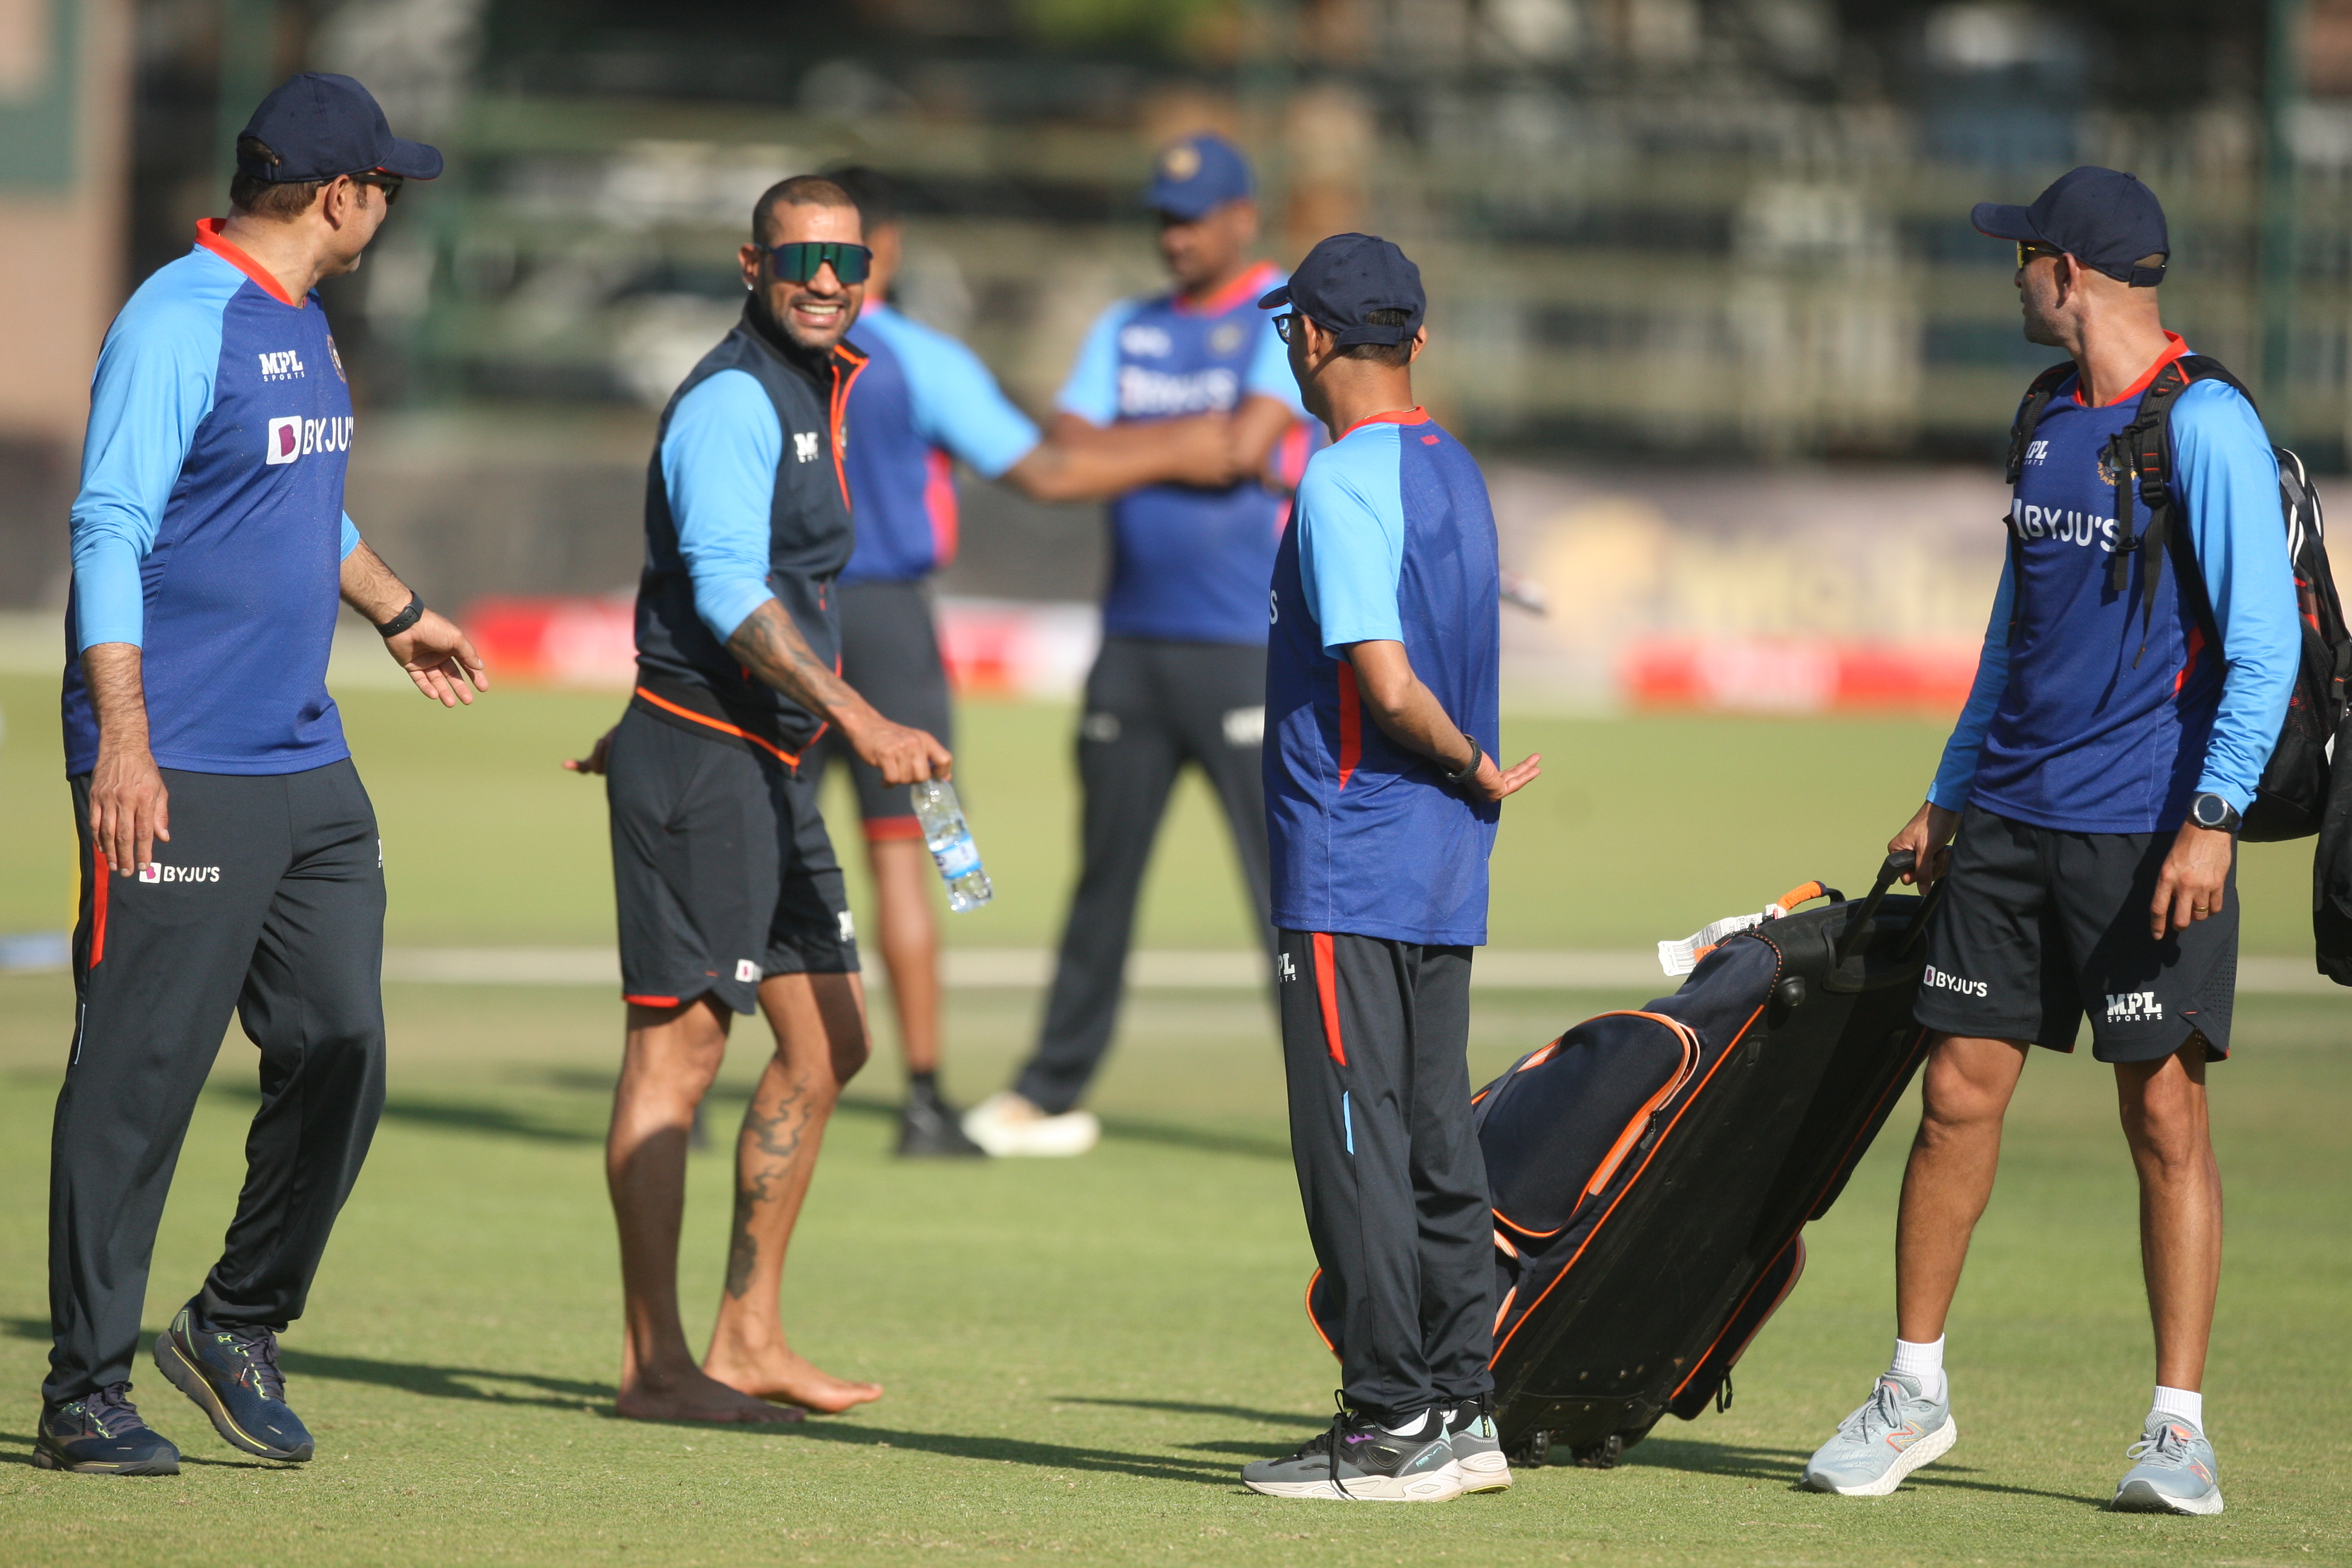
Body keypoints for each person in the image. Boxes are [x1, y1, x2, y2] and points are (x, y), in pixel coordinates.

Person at [1798, 168, 2298, 1515]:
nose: (2012, 275)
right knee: (1954, 1098)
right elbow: (2011, 636)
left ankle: (2177, 1431)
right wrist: (1950, 790)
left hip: (2145, 835)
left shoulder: (2207, 425)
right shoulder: (2040, 418)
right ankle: (1912, 1392)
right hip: (2009, 824)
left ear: (2069, 272)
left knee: (2163, 1115)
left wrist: (2213, 819)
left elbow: (2267, 645)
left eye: (2023, 256)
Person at [37, 74, 482, 1477]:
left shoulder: (298, 320)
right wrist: (124, 741)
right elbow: (109, 523)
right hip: (175, 764)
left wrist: (395, 606)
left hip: (302, 754)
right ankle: (83, 1396)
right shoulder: (180, 318)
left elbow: (296, 493)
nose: (389, 210)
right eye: (384, 189)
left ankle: (235, 1322)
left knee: (341, 1037)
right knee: (141, 1078)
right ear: (339, 196)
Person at [564, 176, 948, 1423]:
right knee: (677, 1059)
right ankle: (652, 1364)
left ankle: (746, 1337)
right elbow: (728, 592)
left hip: (759, 763)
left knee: (831, 1037)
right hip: (705, 759)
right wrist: (866, 719)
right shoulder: (734, 398)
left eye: (848, 260)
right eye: (802, 261)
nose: (828, 281)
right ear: (751, 264)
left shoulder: (819, 384)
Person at [814, 165, 1243, 1157]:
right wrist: (1178, 451)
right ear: (893, 245)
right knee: (922, 857)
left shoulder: (753, 352)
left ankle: (698, 1085)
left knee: (761, 850)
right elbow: (1043, 470)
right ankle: (924, 1101)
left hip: (785, 627)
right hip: (896, 638)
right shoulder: (920, 357)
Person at [1238, 234, 1541, 1501]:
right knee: (1433, 1139)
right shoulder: (1451, 464)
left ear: (1313, 337)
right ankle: (1463, 1410)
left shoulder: (1341, 479)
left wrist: (1469, 762)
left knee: (1353, 1145)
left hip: (1353, 858)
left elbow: (1387, 682)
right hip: (1434, 869)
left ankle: (1387, 1422)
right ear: (1411, 339)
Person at [962, 132, 1315, 1158]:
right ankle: (1049, 1091)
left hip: (1249, 648)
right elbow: (1063, 450)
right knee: (1101, 887)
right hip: (1131, 648)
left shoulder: (1279, 310)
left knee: (1283, 894)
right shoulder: (1126, 325)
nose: (1175, 236)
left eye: (1194, 216)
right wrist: (1186, 446)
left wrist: (1133, 450)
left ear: (1243, 217)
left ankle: (1338, 1106)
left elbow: (1245, 448)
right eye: (1163, 218)